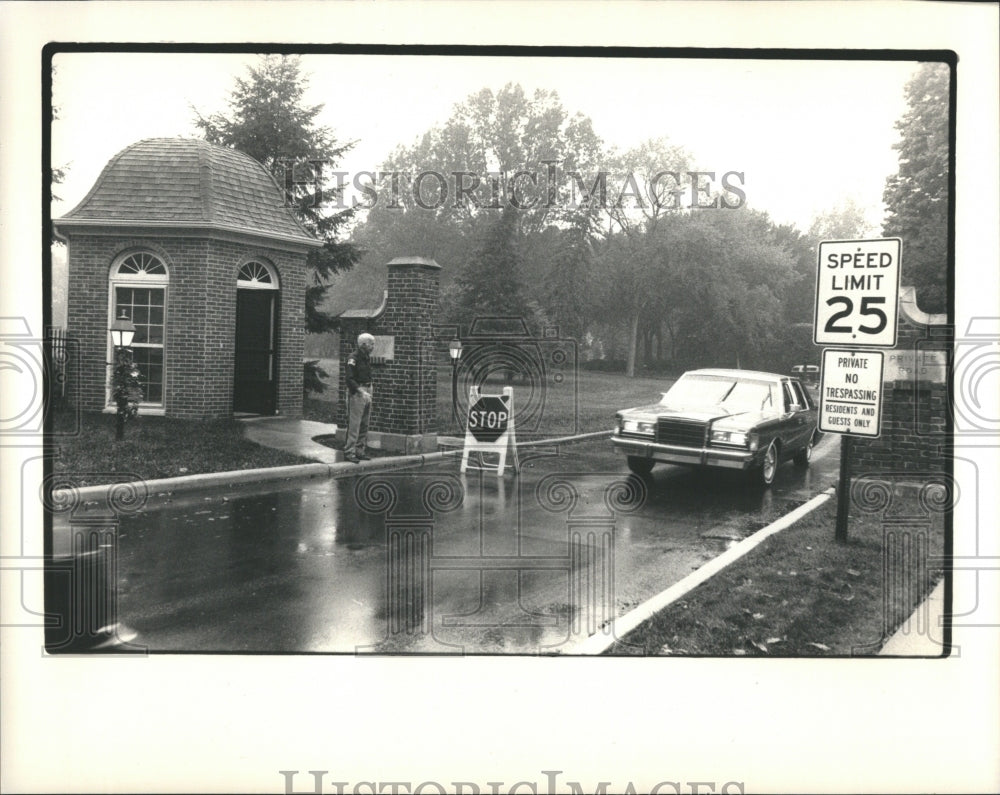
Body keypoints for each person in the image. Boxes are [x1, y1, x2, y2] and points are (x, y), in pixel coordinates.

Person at [343, 332, 375, 463]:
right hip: (357, 392)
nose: (373, 346)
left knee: (364, 423)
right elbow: (349, 379)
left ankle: (359, 451)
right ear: (363, 345)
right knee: (354, 424)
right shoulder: (353, 358)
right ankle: (349, 451)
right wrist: (360, 391)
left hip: (367, 390)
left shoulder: (366, 357)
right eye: (371, 344)